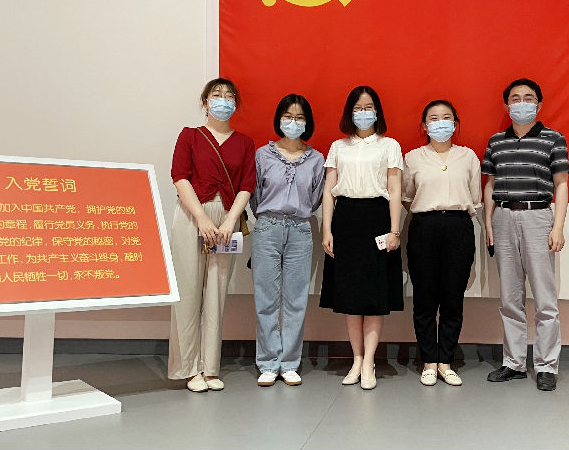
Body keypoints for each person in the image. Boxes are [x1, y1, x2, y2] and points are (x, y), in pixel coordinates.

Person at [481, 78, 569, 392]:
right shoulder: (496, 141)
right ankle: (514, 362)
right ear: (507, 105)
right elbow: (490, 185)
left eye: (528, 98)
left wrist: (557, 226)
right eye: (515, 98)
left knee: (544, 298)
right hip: (503, 217)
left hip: (538, 216)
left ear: (539, 104)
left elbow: (561, 184)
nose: (522, 103)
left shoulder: (553, 139)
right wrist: (489, 223)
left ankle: (546, 365)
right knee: (510, 297)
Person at [168, 78, 255, 392]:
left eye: (229, 96)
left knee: (217, 293)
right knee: (188, 293)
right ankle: (188, 368)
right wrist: (202, 219)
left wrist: (230, 220)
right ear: (205, 101)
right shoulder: (190, 136)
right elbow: (180, 177)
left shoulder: (244, 143)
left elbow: (247, 184)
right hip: (192, 216)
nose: (223, 100)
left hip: (226, 220)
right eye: (217, 95)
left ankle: (210, 367)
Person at [319, 85, 404, 390]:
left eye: (368, 107)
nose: (363, 113)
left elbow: (395, 189)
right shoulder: (338, 146)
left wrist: (395, 230)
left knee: (374, 295)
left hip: (377, 217)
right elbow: (329, 191)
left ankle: (370, 361)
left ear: (377, 111)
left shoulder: (389, 145)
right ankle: (356, 359)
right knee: (351, 297)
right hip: (346, 220)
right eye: (358, 108)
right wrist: (327, 229)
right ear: (349, 113)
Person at [402, 100, 481, 387]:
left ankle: (445, 362)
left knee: (452, 298)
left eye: (446, 117)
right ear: (424, 126)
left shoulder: (468, 156)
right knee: (424, 298)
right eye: (433, 118)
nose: (440, 123)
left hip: (459, 227)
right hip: (424, 227)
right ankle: (428, 361)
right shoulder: (413, 158)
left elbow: (475, 198)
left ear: (455, 124)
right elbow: (407, 196)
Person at [250, 94, 325, 387]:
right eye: (288, 116)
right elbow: (255, 194)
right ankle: (269, 362)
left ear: (307, 122)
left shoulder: (316, 159)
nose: (293, 122)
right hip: (267, 228)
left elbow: (316, 198)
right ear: (279, 119)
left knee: (296, 299)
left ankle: (290, 362)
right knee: (266, 299)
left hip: (301, 229)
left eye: (299, 117)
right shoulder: (262, 155)